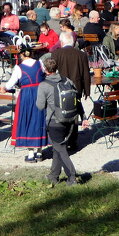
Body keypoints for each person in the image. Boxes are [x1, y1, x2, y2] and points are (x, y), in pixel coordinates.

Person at [35, 54, 78, 186]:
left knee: (60, 148)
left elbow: (40, 106)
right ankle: (53, 175)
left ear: (45, 70)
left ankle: (72, 177)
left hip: (54, 121)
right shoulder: (67, 80)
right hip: (69, 119)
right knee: (56, 148)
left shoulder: (44, 85)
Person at [5, 45, 48, 162]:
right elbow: (46, 75)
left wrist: (4, 87)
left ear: (22, 55)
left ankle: (30, 154)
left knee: (27, 120)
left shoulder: (19, 68)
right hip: (40, 93)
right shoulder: (40, 63)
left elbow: (10, 84)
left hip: (27, 95)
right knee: (39, 119)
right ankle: (39, 152)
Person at [51, 34, 91, 153]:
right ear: (73, 43)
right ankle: (73, 140)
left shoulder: (56, 54)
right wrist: (87, 91)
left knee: (61, 112)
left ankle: (62, 138)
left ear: (62, 42)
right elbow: (86, 74)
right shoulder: (81, 54)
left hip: (60, 88)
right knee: (74, 114)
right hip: (76, 87)